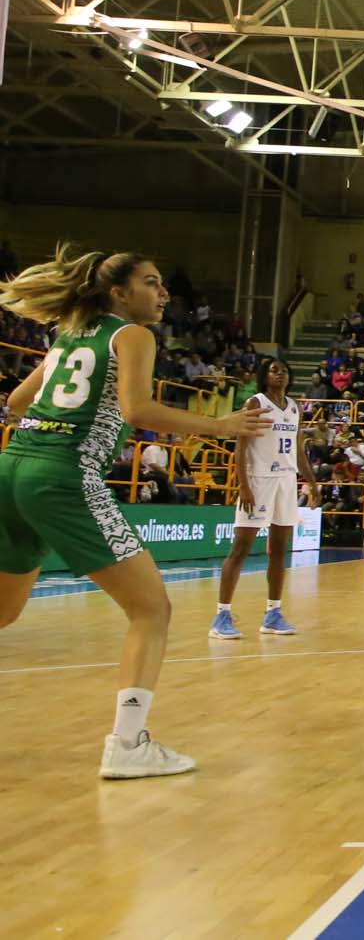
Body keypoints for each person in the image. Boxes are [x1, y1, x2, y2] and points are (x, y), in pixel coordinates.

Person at [0, 247, 270, 778]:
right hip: (62, 476)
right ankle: (128, 745)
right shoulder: (132, 335)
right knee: (152, 611)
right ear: (119, 293)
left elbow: (16, 403)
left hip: (11, 468)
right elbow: (137, 410)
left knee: (3, 613)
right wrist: (219, 426)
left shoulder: (71, 333)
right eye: (151, 282)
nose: (163, 292)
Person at [210, 358, 312, 639]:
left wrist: (312, 481)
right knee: (240, 548)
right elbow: (240, 448)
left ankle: (273, 613)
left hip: (286, 481)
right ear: (263, 376)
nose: (281, 374)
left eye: (284, 370)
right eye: (274, 370)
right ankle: (221, 615)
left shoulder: (294, 407)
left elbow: (298, 451)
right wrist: (244, 486)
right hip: (259, 480)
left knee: (279, 549)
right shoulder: (255, 403)